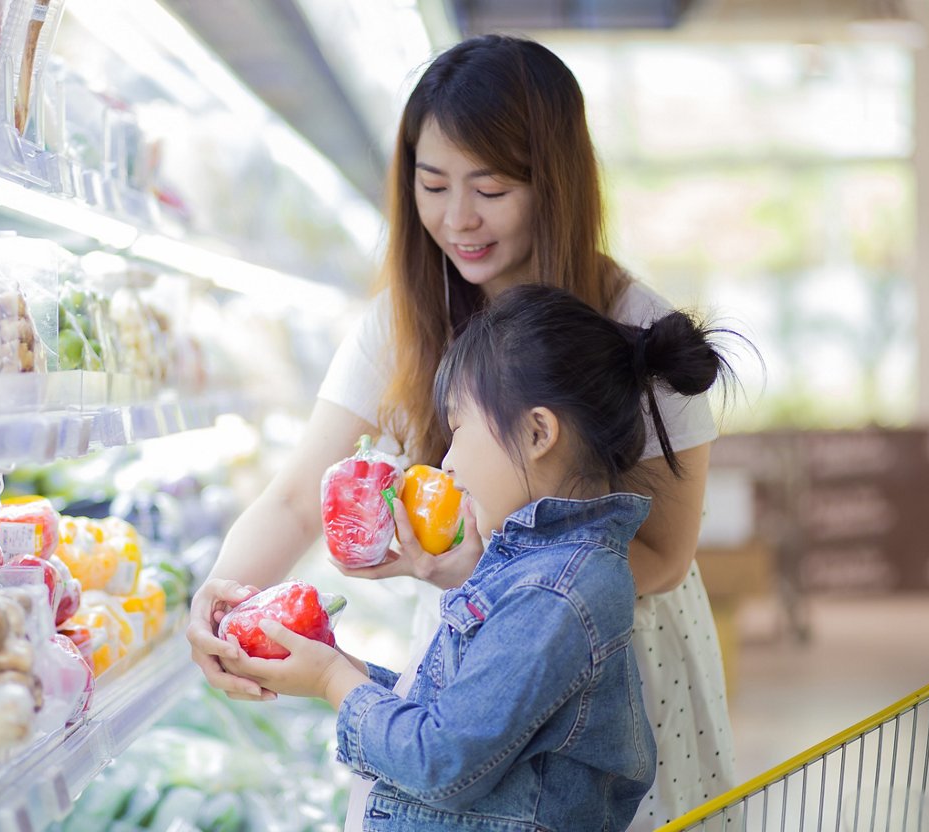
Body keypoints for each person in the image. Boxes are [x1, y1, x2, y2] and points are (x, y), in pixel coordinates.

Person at [187, 34, 736, 828]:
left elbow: (662, 554)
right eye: (433, 183)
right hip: (476, 642)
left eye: (491, 188)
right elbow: (297, 496)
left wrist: (479, 570)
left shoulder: (634, 326)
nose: (456, 219)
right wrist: (218, 599)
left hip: (612, 654)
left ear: (554, 184)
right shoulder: (403, 321)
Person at [221, 284, 736, 831]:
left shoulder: (553, 594)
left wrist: (331, 682)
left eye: (459, 429)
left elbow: (441, 759)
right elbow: (462, 713)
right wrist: (344, 668)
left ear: (538, 432)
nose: (446, 460)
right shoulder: (539, 571)